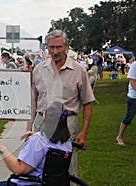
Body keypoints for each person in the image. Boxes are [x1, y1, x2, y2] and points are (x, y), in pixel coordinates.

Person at [26, 30, 95, 182]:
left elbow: (88, 102)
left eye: (59, 47)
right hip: (40, 124)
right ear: (47, 48)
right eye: (52, 47)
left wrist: (84, 132)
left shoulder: (78, 71)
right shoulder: (39, 70)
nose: (55, 51)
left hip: (66, 126)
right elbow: (33, 102)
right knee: (36, 167)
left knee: (66, 169)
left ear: (66, 47)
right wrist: (29, 129)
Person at [0, 102, 72, 186]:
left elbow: (18, 169)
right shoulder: (67, 142)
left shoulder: (39, 140)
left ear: (44, 117)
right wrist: (36, 135)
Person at [116, 61, 136, 146]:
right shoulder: (134, 65)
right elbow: (132, 82)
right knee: (128, 117)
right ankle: (119, 137)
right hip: (133, 97)